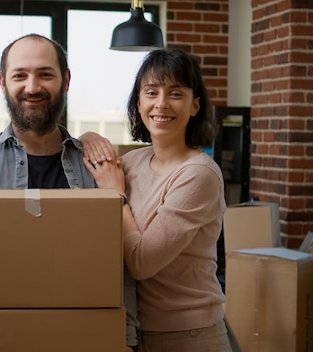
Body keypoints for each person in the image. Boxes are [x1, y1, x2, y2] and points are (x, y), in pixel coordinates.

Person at [0, 33, 139, 352]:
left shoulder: (97, 169)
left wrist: (126, 340)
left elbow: (116, 262)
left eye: (45, 74)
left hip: (81, 339)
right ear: (2, 82)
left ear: (65, 80)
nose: (32, 87)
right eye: (20, 75)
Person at [81, 48, 232, 352]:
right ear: (139, 102)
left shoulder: (199, 175)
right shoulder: (133, 162)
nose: (161, 104)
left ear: (194, 105)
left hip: (190, 335)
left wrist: (116, 196)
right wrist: (86, 138)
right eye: (151, 92)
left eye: (175, 93)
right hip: (135, 330)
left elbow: (141, 262)